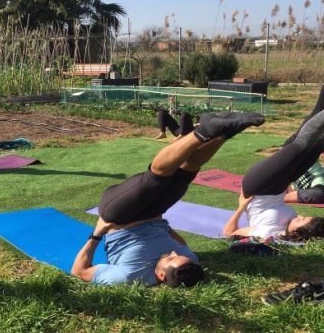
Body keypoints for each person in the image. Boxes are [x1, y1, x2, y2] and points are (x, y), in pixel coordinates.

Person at [71, 111, 265, 286]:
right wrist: (159, 221)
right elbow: (179, 242)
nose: (175, 253)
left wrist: (97, 233)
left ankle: (203, 131)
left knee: (155, 180)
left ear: (161, 276)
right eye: (178, 256)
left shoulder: (129, 276)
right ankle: (225, 133)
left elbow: (79, 271)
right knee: (183, 177)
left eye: (172, 259)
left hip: (117, 216)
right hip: (155, 214)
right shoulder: (190, 262)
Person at [223, 107, 324, 241]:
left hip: (258, 187)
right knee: (316, 148)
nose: (299, 217)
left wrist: (241, 207)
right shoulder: (290, 220)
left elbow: (229, 232)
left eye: (302, 220)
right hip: (278, 186)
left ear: (297, 232)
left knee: (301, 145)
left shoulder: (268, 233)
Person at [283, 85, 324, 204]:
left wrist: (274, 199)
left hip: (297, 151)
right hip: (303, 150)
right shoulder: (319, 189)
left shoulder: (319, 192)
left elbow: (286, 197)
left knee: (319, 112)